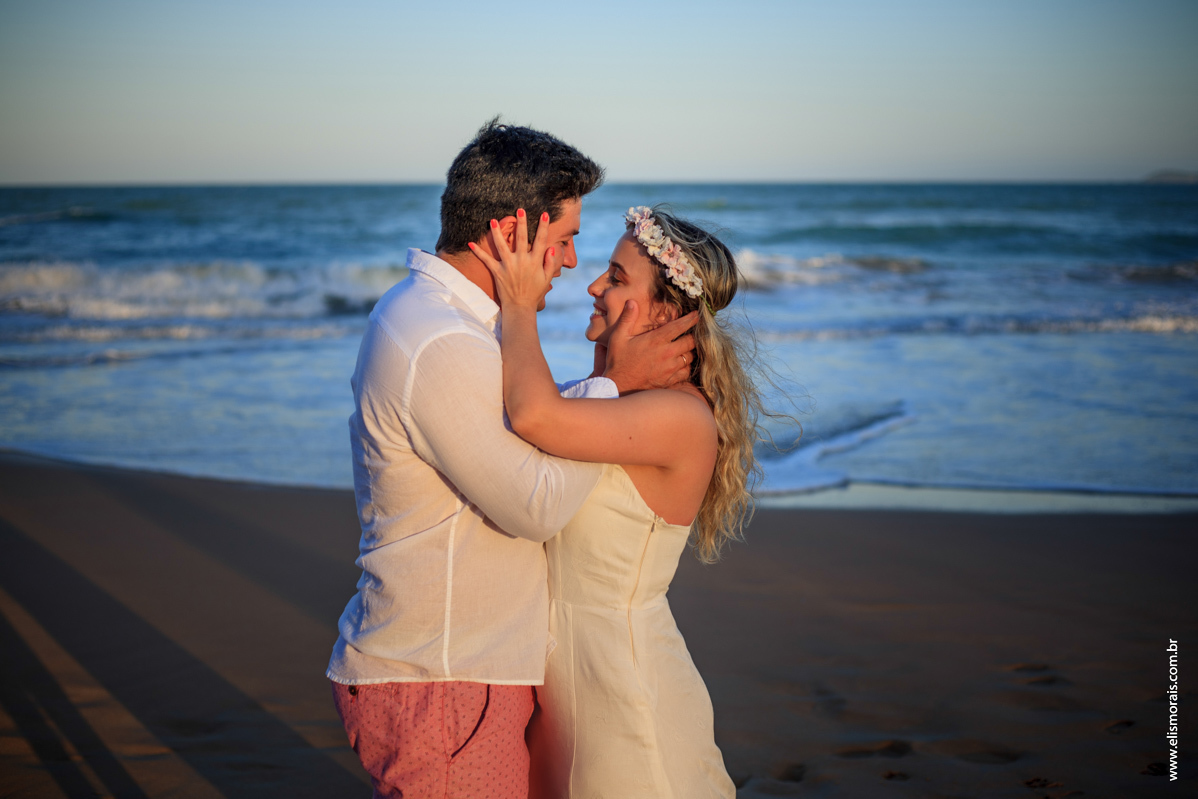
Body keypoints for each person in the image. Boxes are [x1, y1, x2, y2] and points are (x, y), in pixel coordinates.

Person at [326, 122, 697, 799]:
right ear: (509, 234)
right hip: (442, 681)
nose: (570, 262)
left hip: (465, 676)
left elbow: (539, 437)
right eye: (562, 240)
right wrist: (614, 381)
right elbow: (536, 505)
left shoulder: (459, 323)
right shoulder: (438, 338)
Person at [472, 204, 770, 797]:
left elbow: (531, 414)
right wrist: (611, 369)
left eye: (615, 277)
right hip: (573, 680)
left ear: (663, 311)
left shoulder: (677, 417)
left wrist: (519, 301)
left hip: (622, 688)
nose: (592, 284)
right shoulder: (625, 404)